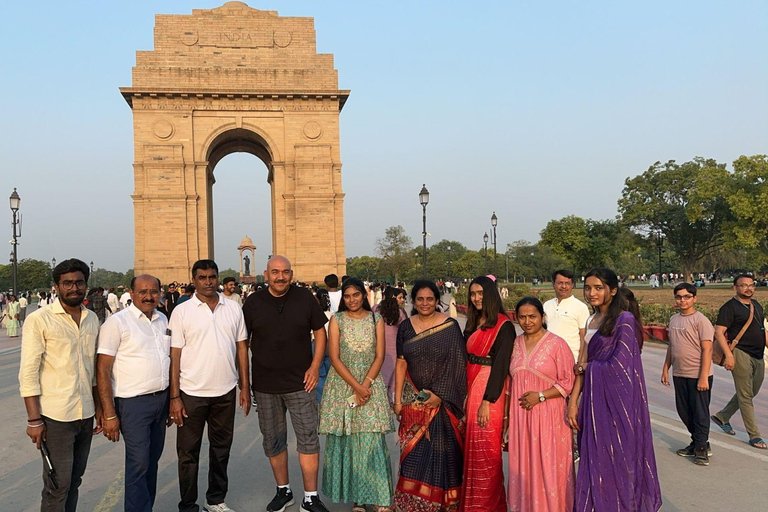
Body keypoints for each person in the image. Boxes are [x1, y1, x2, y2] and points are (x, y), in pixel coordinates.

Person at [569, 267, 662, 511]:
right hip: (592, 398)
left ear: (612, 290)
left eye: (598, 288)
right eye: (588, 287)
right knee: (595, 457)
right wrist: (573, 401)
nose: (591, 293)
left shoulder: (625, 320)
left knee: (617, 457)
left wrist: (588, 367)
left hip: (618, 404)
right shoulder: (591, 320)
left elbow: (621, 366)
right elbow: (583, 360)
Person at [242, 256, 330, 512]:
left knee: (308, 440)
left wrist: (314, 367)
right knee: (273, 440)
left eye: (285, 272)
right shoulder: (253, 302)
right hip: (266, 385)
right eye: (275, 272)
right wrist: (245, 384)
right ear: (266, 274)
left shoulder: (304, 298)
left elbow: (320, 333)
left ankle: (310, 497)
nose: (280, 277)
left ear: (291, 274)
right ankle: (284, 491)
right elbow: (241, 342)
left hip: (301, 383)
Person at [19, 258, 103, 511]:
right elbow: (29, 373)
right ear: (56, 287)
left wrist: (99, 409)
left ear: (86, 285)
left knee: (74, 481)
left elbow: (94, 373)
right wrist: (34, 420)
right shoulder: (40, 319)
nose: (74, 288)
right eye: (67, 283)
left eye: (79, 283)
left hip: (85, 414)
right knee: (58, 484)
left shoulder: (91, 319)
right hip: (56, 417)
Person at [168, 260, 250, 512]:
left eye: (212, 276)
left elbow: (241, 348)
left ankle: (215, 499)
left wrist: (245, 387)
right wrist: (174, 396)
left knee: (221, 449)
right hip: (191, 393)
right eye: (202, 277)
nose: (208, 281)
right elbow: (175, 355)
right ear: (193, 280)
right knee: (188, 453)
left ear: (218, 278)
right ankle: (188, 504)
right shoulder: (182, 311)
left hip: (225, 391)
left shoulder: (233, 308)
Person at [319, 278, 394, 512]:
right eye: (348, 296)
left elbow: (380, 355)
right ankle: (358, 499)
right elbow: (334, 357)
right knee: (349, 442)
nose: (352, 300)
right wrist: (356, 387)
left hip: (370, 383)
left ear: (364, 295)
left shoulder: (376, 319)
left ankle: (380, 499)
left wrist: (366, 384)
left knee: (372, 442)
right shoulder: (337, 320)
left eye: (356, 295)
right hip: (343, 385)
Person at [97, 274, 171, 511]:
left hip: (161, 400)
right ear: (132, 292)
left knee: (152, 461)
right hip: (132, 404)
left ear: (160, 292)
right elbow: (103, 369)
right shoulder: (117, 323)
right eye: (143, 291)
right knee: (138, 463)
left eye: (154, 291)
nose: (149, 296)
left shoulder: (163, 319)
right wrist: (108, 413)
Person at [393, 280, 467, 512]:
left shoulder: (450, 326)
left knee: (446, 456)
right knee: (413, 456)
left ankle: (446, 505)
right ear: (413, 301)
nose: (425, 303)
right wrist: (397, 401)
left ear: (437, 301)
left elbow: (457, 365)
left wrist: (439, 395)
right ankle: (413, 505)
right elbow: (400, 364)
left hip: (444, 406)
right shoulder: (405, 327)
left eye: (430, 299)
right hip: (414, 403)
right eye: (420, 299)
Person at [506, 297, 574, 512]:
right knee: (523, 466)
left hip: (549, 417)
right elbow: (509, 381)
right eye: (522, 317)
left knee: (549, 466)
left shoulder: (557, 344)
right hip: (521, 419)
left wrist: (541, 396)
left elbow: (568, 382)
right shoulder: (515, 344)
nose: (527, 321)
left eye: (532, 316)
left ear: (543, 317)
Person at [460, 276, 514, 512]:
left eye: (481, 293)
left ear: (491, 293)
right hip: (470, 384)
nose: (476, 298)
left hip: (487, 390)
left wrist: (487, 401)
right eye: (472, 294)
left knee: (486, 452)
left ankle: (487, 506)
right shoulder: (473, 322)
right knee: (470, 450)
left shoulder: (504, 325)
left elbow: (501, 366)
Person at [661, 282, 717, 465]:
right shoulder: (674, 319)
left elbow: (707, 350)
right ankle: (697, 441)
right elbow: (672, 346)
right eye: (679, 297)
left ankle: (701, 447)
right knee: (684, 410)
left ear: (694, 298)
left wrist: (703, 376)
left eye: (686, 297)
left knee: (700, 412)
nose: (682, 300)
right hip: (680, 373)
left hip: (698, 374)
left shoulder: (701, 320)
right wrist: (665, 368)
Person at [711, 273, 768, 449]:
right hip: (740, 353)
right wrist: (729, 355)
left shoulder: (757, 306)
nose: (748, 288)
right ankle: (754, 435)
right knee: (745, 395)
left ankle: (722, 416)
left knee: (752, 391)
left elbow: (762, 330)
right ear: (735, 287)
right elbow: (719, 332)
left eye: (751, 285)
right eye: (744, 285)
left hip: (758, 354)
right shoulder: (729, 307)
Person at [374, 286, 407, 402]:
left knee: (379, 374)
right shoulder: (399, 313)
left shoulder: (375, 310)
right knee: (393, 378)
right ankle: (392, 401)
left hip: (378, 348)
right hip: (394, 349)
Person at [314, 287, 333, 402]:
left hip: (317, 344)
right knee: (330, 374)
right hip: (331, 345)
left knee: (320, 374)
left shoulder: (315, 314)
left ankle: (322, 400)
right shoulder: (333, 315)